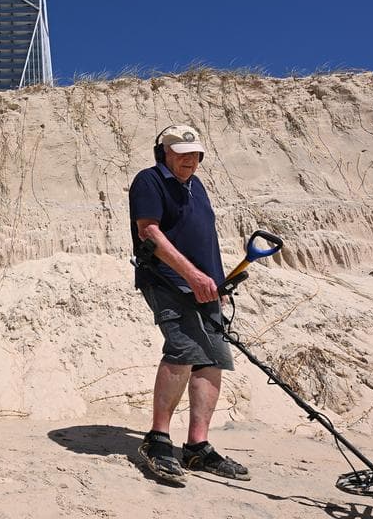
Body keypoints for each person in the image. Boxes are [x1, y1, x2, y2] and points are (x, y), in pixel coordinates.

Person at [128, 124, 250, 485]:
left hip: (206, 286)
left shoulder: (197, 187)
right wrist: (192, 276)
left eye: (195, 153)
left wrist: (215, 280)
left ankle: (198, 446)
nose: (189, 159)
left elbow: (204, 235)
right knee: (183, 349)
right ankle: (157, 440)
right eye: (180, 152)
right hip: (167, 280)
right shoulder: (148, 181)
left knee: (212, 358)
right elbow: (148, 231)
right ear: (162, 152)